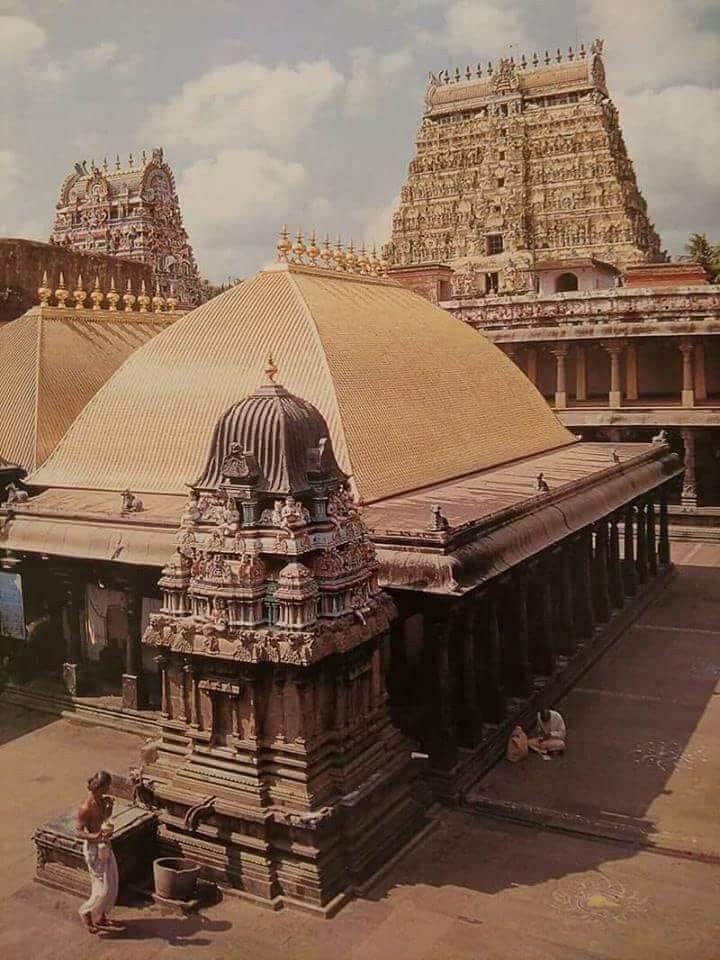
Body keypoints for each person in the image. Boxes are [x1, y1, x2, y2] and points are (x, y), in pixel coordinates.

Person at [77, 770, 120, 934]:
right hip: (94, 849)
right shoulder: (85, 808)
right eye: (106, 788)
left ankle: (101, 916)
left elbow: (105, 820)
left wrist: (109, 809)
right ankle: (86, 913)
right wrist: (94, 835)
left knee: (111, 883)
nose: (108, 791)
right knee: (101, 888)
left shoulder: (102, 802)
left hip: (105, 845)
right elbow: (78, 832)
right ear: (97, 787)